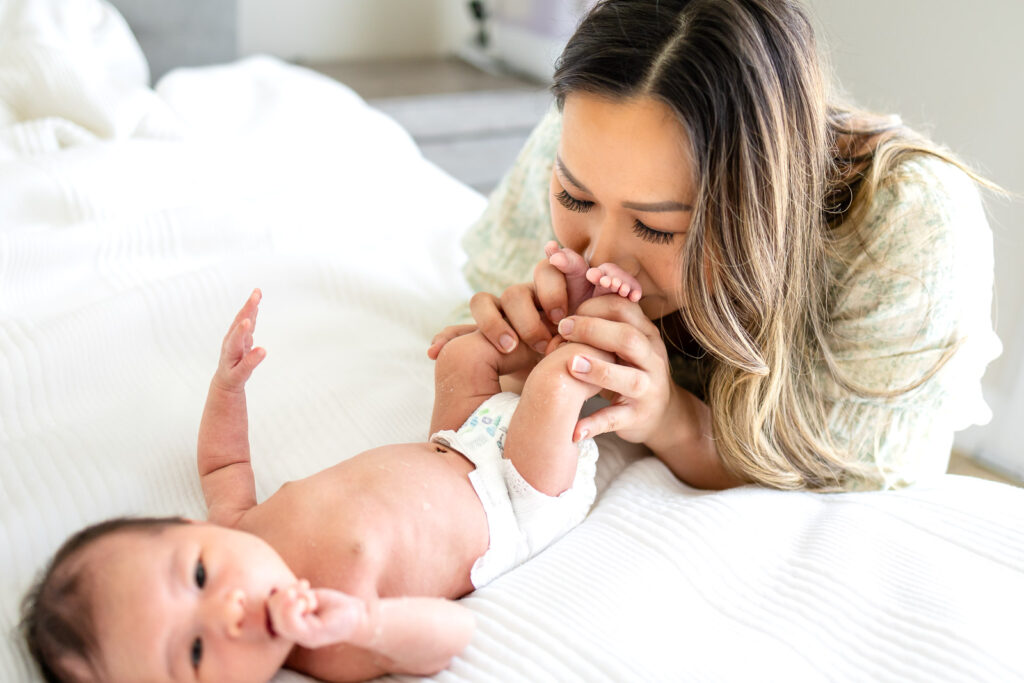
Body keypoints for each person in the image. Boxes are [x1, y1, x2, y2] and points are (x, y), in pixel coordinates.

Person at [429, 0, 1002, 492]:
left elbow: (864, 483)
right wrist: (530, 339)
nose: (599, 256)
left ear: (760, 206)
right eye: (575, 199)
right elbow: (486, 304)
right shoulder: (588, 132)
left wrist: (672, 420)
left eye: (657, 228)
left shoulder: (905, 225)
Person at [21, 276, 636, 683]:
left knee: (463, 356)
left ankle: (567, 292)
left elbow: (222, 463)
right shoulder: (328, 647)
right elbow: (451, 634)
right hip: (517, 501)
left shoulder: (238, 520)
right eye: (198, 653)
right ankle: (621, 321)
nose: (228, 610)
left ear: (190, 528)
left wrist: (227, 387)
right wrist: (360, 623)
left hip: (454, 442)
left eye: (200, 575)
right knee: (557, 383)